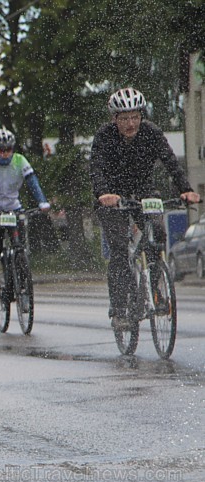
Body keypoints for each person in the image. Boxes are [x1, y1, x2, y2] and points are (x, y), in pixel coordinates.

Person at [90, 87, 200, 330]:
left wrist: (186, 189)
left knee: (157, 233)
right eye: (124, 118)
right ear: (114, 119)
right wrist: (102, 193)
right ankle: (119, 309)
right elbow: (96, 168)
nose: (131, 123)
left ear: (142, 115)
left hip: (142, 191)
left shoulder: (151, 133)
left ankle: (156, 289)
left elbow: (171, 162)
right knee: (119, 247)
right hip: (111, 195)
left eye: (135, 117)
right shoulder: (104, 136)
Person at [0, 128, 51, 289]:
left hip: (13, 207)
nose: (4, 154)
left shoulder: (20, 161)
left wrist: (42, 201)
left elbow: (32, 183)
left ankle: (21, 268)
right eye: (0, 150)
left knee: (20, 241)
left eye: (8, 150)